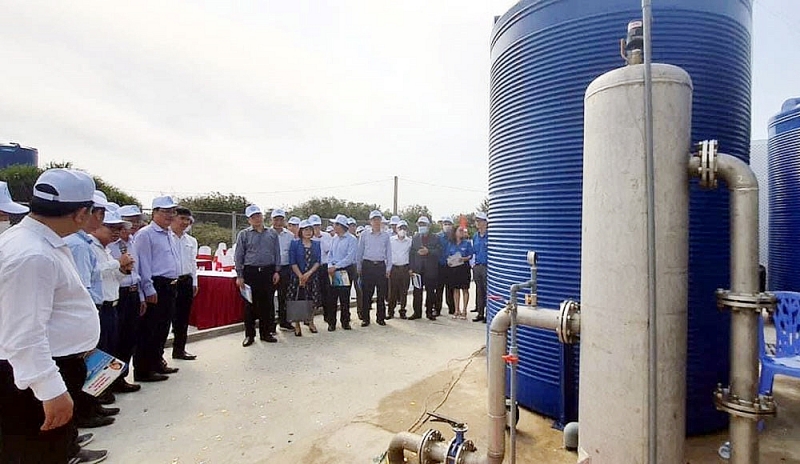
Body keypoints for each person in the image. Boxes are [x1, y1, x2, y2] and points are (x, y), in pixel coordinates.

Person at [0, 168, 108, 463]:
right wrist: (50, 389)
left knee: (52, 450)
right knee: (36, 452)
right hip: (34, 379)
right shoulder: (32, 255)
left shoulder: (39, 242)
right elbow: (22, 334)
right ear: (80, 214)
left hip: (51, 366)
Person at [64, 190, 120, 426]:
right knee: (83, 366)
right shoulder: (77, 245)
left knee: (99, 358)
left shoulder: (84, 242)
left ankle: (94, 405)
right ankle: (85, 411)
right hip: (89, 310)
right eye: (101, 215)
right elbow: (83, 285)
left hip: (99, 307)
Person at [133, 196, 181, 382]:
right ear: (154, 213)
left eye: (172, 212)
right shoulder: (145, 234)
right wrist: (148, 287)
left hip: (170, 285)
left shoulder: (169, 233)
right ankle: (143, 369)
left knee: (162, 327)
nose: (170, 215)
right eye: (165, 211)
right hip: (155, 284)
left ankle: (157, 361)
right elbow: (143, 263)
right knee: (149, 329)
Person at [234, 205, 281, 346]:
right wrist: (240, 275)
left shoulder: (272, 233)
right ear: (249, 220)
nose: (257, 219)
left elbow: (277, 253)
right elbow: (239, 255)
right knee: (249, 305)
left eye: (258, 216)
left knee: (267, 304)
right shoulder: (244, 234)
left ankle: (265, 333)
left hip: (268, 271)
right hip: (251, 272)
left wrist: (277, 271)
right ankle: (249, 335)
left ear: (262, 216)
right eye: (253, 217)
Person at [107, 214, 144, 394]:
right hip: (117, 294)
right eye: (114, 228)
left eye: (122, 227)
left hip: (133, 291)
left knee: (129, 338)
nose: (120, 231)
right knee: (113, 340)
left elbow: (138, 270)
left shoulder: (132, 243)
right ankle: (107, 382)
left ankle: (121, 377)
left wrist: (142, 295)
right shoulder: (104, 247)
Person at [171, 207, 198, 360]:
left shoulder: (191, 241)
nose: (185, 222)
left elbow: (192, 263)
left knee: (183, 317)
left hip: (186, 280)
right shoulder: (167, 237)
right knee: (166, 317)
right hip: (171, 281)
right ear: (173, 219)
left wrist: (195, 281)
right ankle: (159, 355)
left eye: (187, 220)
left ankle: (179, 349)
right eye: (182, 218)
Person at [356, 211, 392, 327]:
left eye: (378, 219)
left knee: (381, 294)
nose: (376, 222)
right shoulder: (364, 235)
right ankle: (365, 318)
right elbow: (360, 251)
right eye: (374, 220)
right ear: (370, 221)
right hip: (368, 266)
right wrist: (359, 266)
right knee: (367, 294)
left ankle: (380, 318)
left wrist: (388, 268)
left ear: (381, 221)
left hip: (380, 266)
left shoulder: (386, 235)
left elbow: (389, 253)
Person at [288, 220, 321, 336]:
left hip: (312, 277)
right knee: (298, 300)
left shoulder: (316, 244)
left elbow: (318, 261)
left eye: (310, 230)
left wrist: (309, 273)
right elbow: (292, 262)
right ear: (301, 231)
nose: (308, 232)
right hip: (297, 277)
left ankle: (311, 322)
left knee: (312, 300)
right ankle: (297, 325)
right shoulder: (294, 244)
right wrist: (300, 276)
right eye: (305, 230)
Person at [326, 214, 357, 331]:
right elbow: (330, 254)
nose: (334, 226)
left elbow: (349, 257)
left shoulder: (352, 239)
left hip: (345, 270)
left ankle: (345, 321)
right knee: (332, 297)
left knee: (344, 297)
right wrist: (330, 266)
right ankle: (331, 322)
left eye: (336, 224)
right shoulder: (334, 238)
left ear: (341, 226)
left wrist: (336, 266)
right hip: (333, 269)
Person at [409, 216, 442, 321]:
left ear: (428, 226)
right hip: (418, 269)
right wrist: (411, 268)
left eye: (423, 224)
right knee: (417, 292)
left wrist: (429, 251)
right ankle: (417, 312)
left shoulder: (436, 238)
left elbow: (439, 252)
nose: (421, 226)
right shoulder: (415, 238)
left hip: (430, 269)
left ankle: (429, 312)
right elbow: (412, 253)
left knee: (430, 292)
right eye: (420, 224)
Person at [271, 208, 295, 332]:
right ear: (272, 220)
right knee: (269, 297)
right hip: (270, 269)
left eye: (281, 219)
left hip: (285, 268)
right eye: (276, 219)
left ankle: (284, 321)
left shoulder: (290, 236)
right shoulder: (267, 233)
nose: (278, 222)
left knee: (284, 296)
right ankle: (270, 324)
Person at [445, 226, 474, 319]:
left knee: (465, 289)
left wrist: (463, 258)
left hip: (464, 268)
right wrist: (449, 261)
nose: (462, 232)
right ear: (455, 232)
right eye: (460, 230)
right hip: (454, 269)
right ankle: (456, 310)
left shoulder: (467, 243)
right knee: (456, 289)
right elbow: (447, 255)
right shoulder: (450, 244)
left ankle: (464, 311)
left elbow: (471, 255)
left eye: (463, 231)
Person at [388, 220, 412, 319]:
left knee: (404, 292)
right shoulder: (391, 240)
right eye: (400, 228)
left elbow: (412, 256)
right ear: (396, 229)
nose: (402, 230)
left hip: (405, 268)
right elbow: (387, 254)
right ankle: (390, 311)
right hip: (394, 268)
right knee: (392, 292)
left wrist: (411, 269)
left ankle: (402, 311)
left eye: (404, 228)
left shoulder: (410, 241)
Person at [310, 214, 332, 318]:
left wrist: (320, 238)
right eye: (314, 226)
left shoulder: (326, 236)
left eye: (318, 226)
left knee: (326, 292)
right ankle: (310, 318)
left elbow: (329, 250)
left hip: (324, 266)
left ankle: (327, 316)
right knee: (313, 293)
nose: (316, 228)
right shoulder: (307, 238)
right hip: (312, 268)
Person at [435, 216, 456, 315]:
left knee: (450, 288)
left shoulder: (455, 237)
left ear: (452, 225)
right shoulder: (437, 237)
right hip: (440, 265)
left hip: (452, 266)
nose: (447, 226)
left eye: (449, 224)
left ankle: (452, 308)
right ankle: (437, 309)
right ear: (442, 225)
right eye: (445, 224)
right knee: (439, 289)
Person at [472, 212, 489, 322]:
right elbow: (474, 251)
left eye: (479, 220)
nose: (477, 223)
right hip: (478, 266)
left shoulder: (490, 235)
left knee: (488, 291)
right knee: (479, 290)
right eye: (476, 221)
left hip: (487, 266)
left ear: (485, 222)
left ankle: (488, 314)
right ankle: (480, 313)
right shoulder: (475, 236)